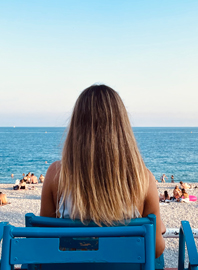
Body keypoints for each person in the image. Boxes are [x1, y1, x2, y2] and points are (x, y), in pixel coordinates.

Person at [40, 85, 165, 258]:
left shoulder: (56, 175)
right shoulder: (142, 178)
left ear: (76, 127)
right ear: (122, 129)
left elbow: (42, 239)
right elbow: (156, 250)